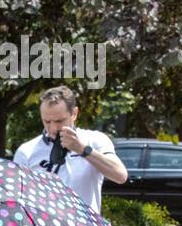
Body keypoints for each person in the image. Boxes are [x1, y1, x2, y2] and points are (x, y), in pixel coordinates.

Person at [11, 85, 127, 213]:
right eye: (47, 121)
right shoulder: (27, 151)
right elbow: (16, 198)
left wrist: (82, 149)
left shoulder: (95, 140)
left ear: (74, 114)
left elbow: (120, 175)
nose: (53, 128)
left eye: (60, 121)